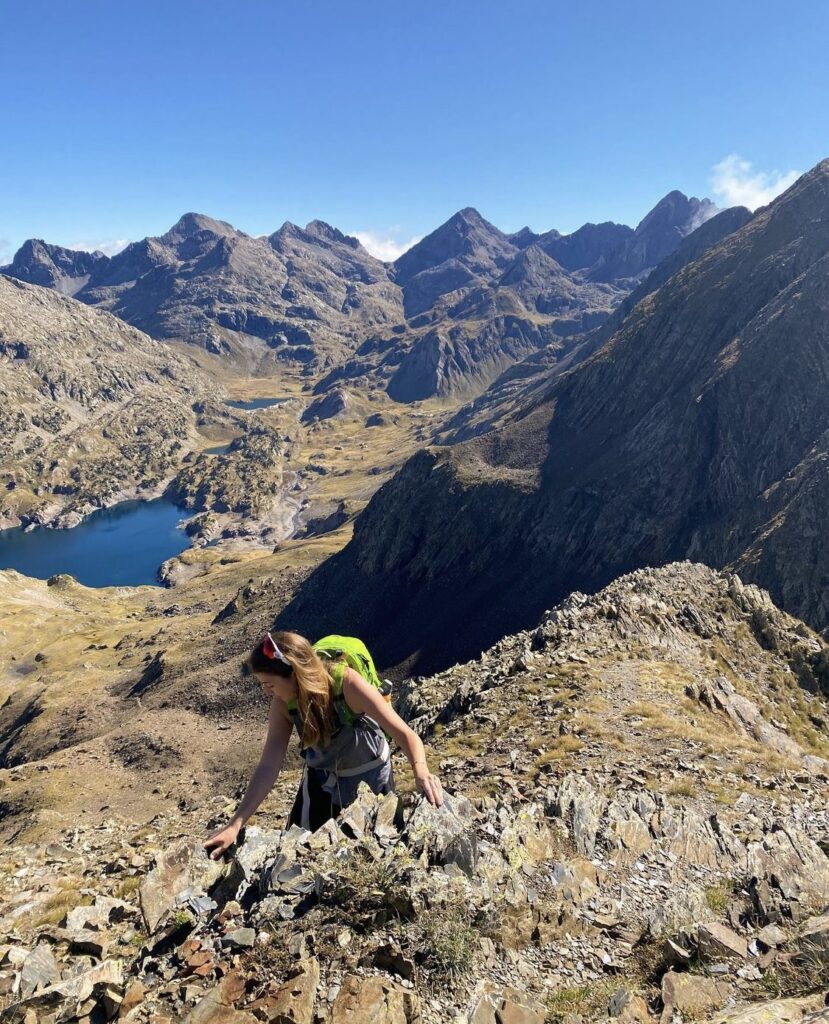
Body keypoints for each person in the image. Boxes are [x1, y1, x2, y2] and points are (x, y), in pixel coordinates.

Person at [204, 630, 443, 859]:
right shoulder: (283, 704)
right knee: (302, 857)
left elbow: (405, 734)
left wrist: (420, 770)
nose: (267, 692)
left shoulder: (347, 684)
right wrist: (234, 825)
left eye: (269, 684)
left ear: (294, 673)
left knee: (372, 852)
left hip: (370, 781)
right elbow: (269, 765)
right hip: (322, 781)